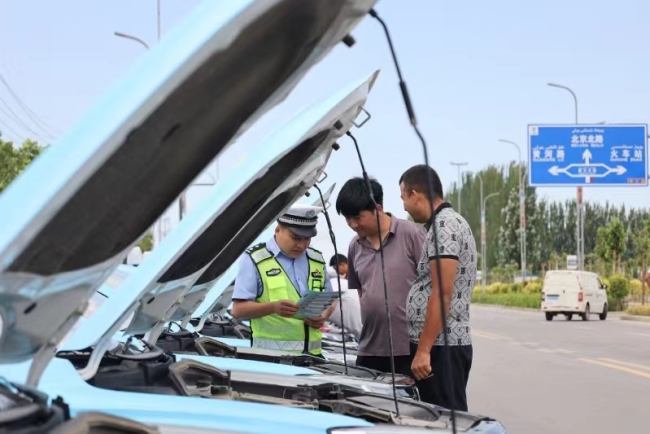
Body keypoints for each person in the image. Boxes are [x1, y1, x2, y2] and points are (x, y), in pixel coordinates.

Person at [399, 164, 475, 411]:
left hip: (442, 347)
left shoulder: (445, 226)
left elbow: (442, 293)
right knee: (435, 417)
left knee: (445, 420)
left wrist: (423, 351)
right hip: (439, 346)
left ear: (415, 194)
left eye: (403, 198)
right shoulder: (441, 224)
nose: (404, 207)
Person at [335, 177, 426, 376]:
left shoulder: (412, 235)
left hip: (409, 349)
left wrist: (426, 349)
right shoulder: (354, 246)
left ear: (377, 208)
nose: (352, 224)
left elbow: (434, 288)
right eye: (347, 219)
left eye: (357, 217)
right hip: (369, 348)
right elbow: (362, 293)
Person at [231, 204, 336, 356]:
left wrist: (325, 314)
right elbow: (238, 311)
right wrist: (273, 308)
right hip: (270, 360)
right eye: (295, 238)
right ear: (278, 229)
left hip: (313, 358)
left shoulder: (316, 259)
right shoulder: (255, 259)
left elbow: (330, 299)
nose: (301, 245)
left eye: (307, 239)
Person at [327, 254, 362, 340]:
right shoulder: (347, 277)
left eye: (336, 268)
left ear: (342, 264)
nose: (336, 271)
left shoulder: (357, 274)